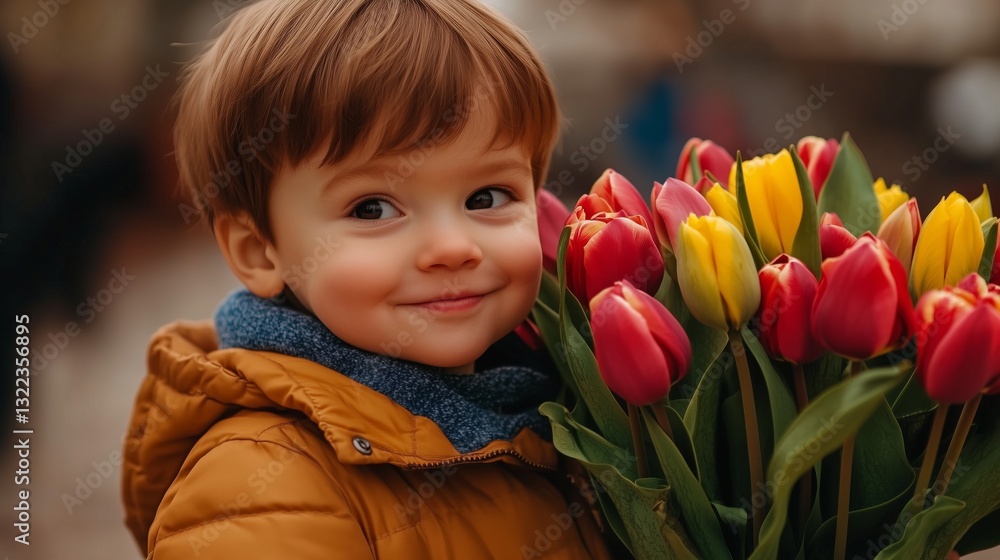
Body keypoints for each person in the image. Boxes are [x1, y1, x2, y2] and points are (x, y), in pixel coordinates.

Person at [120, 0, 614, 558]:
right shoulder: (259, 484)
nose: (452, 248)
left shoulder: (576, 417)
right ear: (259, 251)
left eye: (487, 197)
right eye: (373, 209)